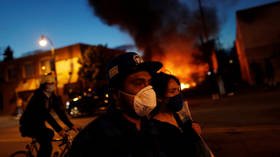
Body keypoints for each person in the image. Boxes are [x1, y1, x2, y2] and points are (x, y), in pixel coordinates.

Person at [67, 52, 163, 157]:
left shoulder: (157, 129)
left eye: (148, 83)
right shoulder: (92, 139)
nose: (147, 89)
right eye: (138, 83)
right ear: (116, 94)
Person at [151, 72, 214, 157]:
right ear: (159, 97)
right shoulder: (155, 128)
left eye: (178, 90)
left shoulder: (178, 116)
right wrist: (192, 136)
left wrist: (194, 127)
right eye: (172, 91)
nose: (178, 95)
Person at [19, 72, 79, 157]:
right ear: (45, 85)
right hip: (28, 125)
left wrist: (71, 125)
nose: (53, 85)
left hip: (39, 124)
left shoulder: (51, 96)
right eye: (50, 83)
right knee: (47, 146)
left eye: (53, 83)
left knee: (50, 133)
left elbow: (60, 112)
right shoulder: (38, 97)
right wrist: (59, 130)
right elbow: (46, 115)